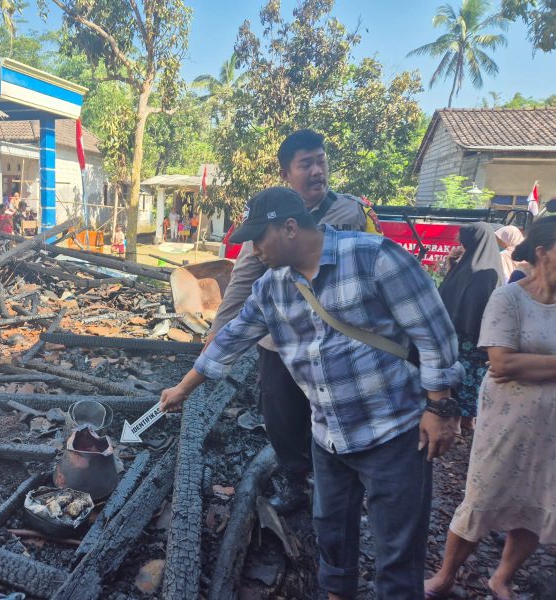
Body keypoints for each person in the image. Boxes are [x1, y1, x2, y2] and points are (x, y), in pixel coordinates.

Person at [162, 187, 463, 599]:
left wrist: (439, 407)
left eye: (258, 237)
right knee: (332, 537)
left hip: (393, 431)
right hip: (329, 435)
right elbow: (230, 339)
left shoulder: (376, 258)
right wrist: (182, 389)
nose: (252, 249)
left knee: (396, 551)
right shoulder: (272, 287)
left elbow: (436, 336)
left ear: (289, 228)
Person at [209, 128, 383, 515]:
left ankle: (338, 485)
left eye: (321, 160)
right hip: (281, 342)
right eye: (306, 164)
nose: (317, 170)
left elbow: (375, 268)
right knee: (281, 415)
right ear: (287, 173)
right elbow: (242, 278)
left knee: (339, 411)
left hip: (339, 341)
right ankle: (294, 482)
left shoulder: (352, 211)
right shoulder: (265, 215)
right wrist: (217, 334)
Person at [425, 216, 556, 600]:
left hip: (552, 427)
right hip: (506, 421)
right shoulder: (509, 297)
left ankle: (502, 577)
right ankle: (445, 576)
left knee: (540, 500)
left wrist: (530, 363)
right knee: (482, 496)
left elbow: (516, 362)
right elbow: (501, 363)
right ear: (542, 252)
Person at [438, 222, 505, 429]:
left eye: (464, 242)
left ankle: (464, 422)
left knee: (468, 381)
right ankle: (462, 422)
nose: (461, 245)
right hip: (469, 338)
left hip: (475, 339)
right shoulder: (469, 266)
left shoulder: (484, 272)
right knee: (463, 381)